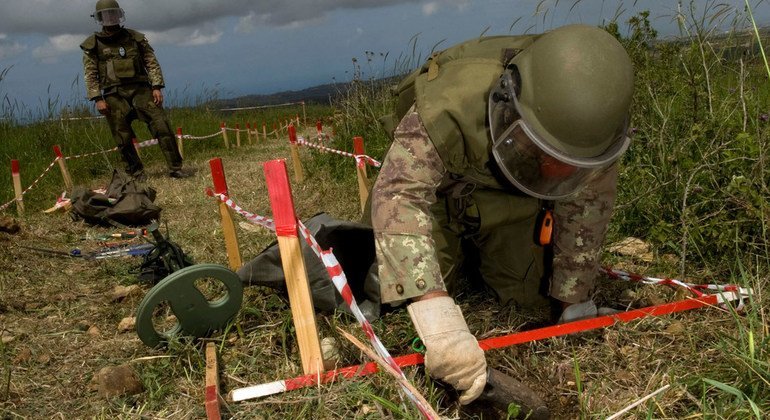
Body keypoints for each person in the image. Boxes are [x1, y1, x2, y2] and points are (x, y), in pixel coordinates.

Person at [371, 24, 634, 404]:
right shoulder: (450, 102)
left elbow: (587, 207)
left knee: (528, 302)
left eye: (566, 163)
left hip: (515, 197)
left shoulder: (594, 133)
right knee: (398, 301)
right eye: (543, 151)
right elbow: (399, 194)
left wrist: (572, 301)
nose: (560, 169)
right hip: (440, 197)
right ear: (509, 104)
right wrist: (438, 320)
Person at [80, 0, 191, 179]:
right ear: (99, 18)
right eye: (106, 15)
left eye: (112, 14)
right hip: (113, 95)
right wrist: (97, 98)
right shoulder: (92, 44)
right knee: (122, 137)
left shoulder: (135, 38)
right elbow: (90, 72)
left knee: (161, 125)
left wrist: (156, 86)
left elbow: (151, 61)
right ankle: (136, 173)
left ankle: (175, 168)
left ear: (119, 14)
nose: (110, 18)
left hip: (141, 90)